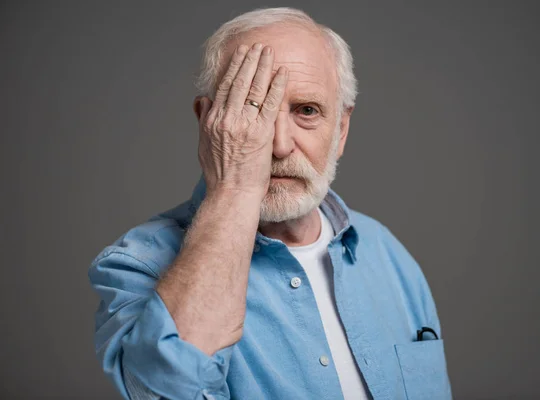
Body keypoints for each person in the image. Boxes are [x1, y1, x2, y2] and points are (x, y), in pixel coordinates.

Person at [88, 7, 452, 400]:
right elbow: (164, 392)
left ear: (342, 129)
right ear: (208, 123)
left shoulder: (387, 255)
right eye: (251, 109)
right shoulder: (138, 264)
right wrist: (234, 188)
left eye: (307, 111)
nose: (278, 144)